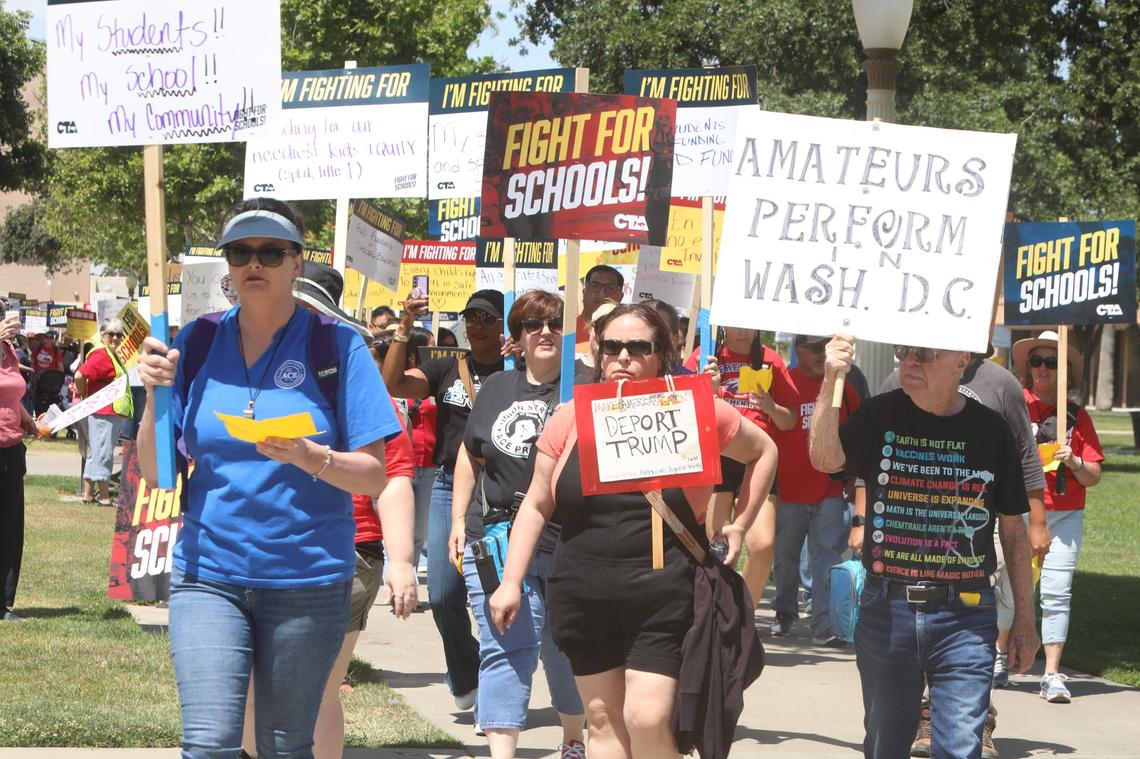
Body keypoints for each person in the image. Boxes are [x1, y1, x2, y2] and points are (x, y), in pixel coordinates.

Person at [135, 198, 404, 759]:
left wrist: (310, 456)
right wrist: (154, 396)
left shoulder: (338, 345)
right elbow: (160, 472)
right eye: (240, 252)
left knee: (284, 745)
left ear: (297, 263)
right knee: (208, 743)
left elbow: (375, 477)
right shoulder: (196, 342)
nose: (254, 263)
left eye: (271, 252)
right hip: (208, 573)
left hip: (307, 579)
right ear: (227, 265)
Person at [490, 303, 778, 759]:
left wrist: (740, 522)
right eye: (611, 347)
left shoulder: (696, 410)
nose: (623, 357)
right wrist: (510, 582)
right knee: (602, 722)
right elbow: (537, 502)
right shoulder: (569, 417)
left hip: (665, 595)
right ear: (598, 353)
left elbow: (765, 451)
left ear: (662, 354)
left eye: (638, 347)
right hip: (583, 592)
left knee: (647, 719)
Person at [810, 336, 1040, 759]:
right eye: (903, 351)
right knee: (885, 747)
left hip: (966, 617)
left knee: (959, 749)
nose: (909, 361)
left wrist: (1025, 615)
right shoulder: (880, 414)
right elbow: (825, 458)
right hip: (886, 612)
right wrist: (831, 377)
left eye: (925, 354)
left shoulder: (992, 431)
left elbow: (1012, 530)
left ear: (962, 359)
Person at [241, 262, 419, 759]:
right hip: (254, 553)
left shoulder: (351, 373)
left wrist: (402, 561)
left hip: (344, 555)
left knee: (316, 688)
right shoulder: (248, 375)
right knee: (251, 685)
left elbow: (396, 476)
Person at [880, 344, 1048, 758]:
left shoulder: (1000, 383)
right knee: (917, 630)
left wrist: (1038, 520)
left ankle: (977, 719)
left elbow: (1025, 457)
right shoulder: (900, 379)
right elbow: (869, 462)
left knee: (989, 623)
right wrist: (863, 520)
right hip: (914, 533)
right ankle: (927, 715)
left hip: (983, 524)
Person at [450, 290, 586, 759]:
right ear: (519, 337)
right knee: (504, 642)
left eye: (554, 322)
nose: (544, 331)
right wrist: (456, 518)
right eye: (533, 324)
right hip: (493, 537)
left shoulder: (588, 388)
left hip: (568, 541)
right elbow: (472, 454)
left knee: (564, 649)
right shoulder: (496, 388)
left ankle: (573, 738)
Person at [381, 289, 507, 710]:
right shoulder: (447, 368)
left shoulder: (515, 370)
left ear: (504, 325)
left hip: (499, 493)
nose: (477, 324)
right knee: (441, 593)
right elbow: (392, 383)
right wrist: (402, 330)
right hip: (447, 484)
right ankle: (466, 669)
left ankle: (496, 682)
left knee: (496, 592)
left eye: (488, 317)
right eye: (471, 315)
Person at [1012, 331, 1103, 704]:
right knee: (1008, 589)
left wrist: (1075, 461)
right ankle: (1001, 657)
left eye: (1053, 362)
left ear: (1065, 371)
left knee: (1056, 591)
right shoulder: (1015, 406)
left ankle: (1050, 673)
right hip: (1018, 511)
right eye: (1037, 361)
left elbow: (1094, 476)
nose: (1043, 369)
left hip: (1065, 517)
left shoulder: (1076, 416)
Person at [687, 326, 795, 614]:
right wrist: (706, 389)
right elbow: (679, 401)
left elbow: (789, 421)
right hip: (717, 454)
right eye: (736, 323)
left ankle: (743, 616)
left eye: (750, 324)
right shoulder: (705, 355)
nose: (744, 331)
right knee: (717, 548)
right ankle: (715, 617)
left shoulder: (771, 359)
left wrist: (771, 407)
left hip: (757, 458)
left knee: (762, 545)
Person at [770, 335, 860, 644]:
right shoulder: (784, 383)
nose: (823, 354)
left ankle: (824, 624)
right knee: (786, 558)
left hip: (829, 492)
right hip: (790, 491)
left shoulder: (841, 387)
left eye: (826, 347)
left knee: (827, 558)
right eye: (815, 349)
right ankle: (784, 611)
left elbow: (855, 432)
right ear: (799, 352)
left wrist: (851, 477)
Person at [1, 309, 38, 622]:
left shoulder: (10, 350)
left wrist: (27, 420)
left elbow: (12, 395)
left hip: (12, 447)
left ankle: (4, 603)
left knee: (11, 527)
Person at [74, 319, 131, 505]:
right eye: (111, 334)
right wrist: (84, 395)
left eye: (119, 335)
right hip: (102, 413)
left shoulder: (111, 354)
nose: (115, 338)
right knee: (104, 454)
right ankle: (105, 498)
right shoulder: (102, 355)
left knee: (97, 452)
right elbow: (79, 375)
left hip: (106, 412)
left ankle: (88, 495)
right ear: (103, 335)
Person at [574, 264, 625, 348]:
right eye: (595, 286)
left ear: (621, 296)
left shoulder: (628, 333)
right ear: (584, 292)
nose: (602, 294)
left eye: (610, 288)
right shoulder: (565, 331)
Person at [573, 301, 618, 386]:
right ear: (590, 329)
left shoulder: (625, 373)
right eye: (600, 327)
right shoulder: (568, 371)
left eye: (614, 330)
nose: (605, 335)